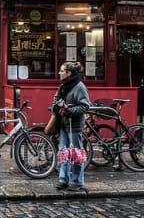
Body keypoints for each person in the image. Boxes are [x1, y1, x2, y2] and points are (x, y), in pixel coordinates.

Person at [53, 61, 90, 191]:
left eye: (62, 71)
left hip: (74, 126)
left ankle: (77, 181)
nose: (59, 73)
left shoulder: (79, 87)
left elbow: (85, 106)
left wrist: (69, 110)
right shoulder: (63, 86)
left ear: (69, 73)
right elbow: (56, 100)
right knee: (64, 152)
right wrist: (59, 105)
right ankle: (63, 179)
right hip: (63, 125)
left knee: (75, 153)